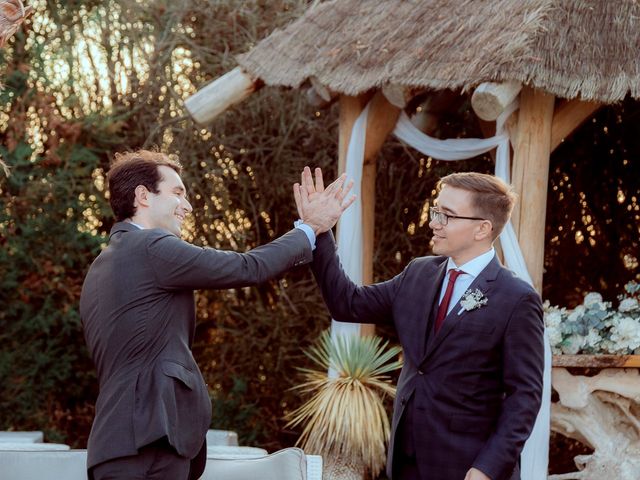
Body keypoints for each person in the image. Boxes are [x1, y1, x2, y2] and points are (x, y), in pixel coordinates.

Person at [80, 150, 355, 480]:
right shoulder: (152, 247)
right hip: (151, 441)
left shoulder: (101, 265)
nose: (188, 206)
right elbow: (247, 267)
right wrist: (310, 228)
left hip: (116, 445)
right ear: (143, 196)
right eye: (177, 193)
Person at [295, 168, 544, 480]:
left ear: (482, 228)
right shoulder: (418, 274)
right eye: (436, 211)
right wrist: (319, 230)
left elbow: (525, 397)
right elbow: (347, 303)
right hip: (404, 464)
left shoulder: (517, 299)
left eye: (447, 216)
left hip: (467, 469)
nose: (433, 223)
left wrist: (487, 468)